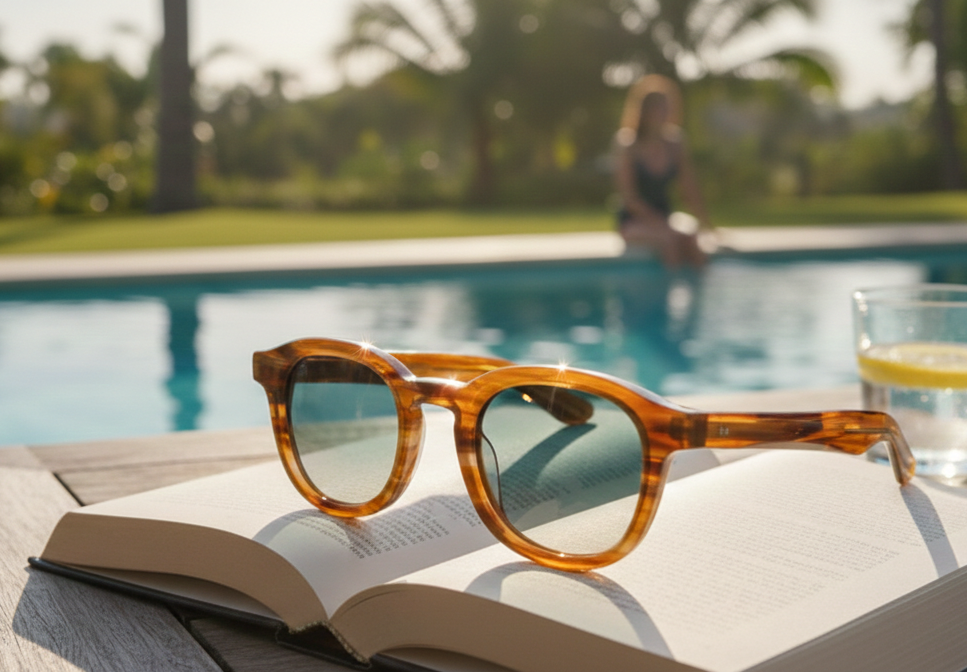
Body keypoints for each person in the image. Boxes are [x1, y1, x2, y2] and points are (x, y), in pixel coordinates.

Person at [615, 75, 713, 268]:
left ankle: (701, 286)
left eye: (667, 107)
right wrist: (663, 225)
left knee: (692, 240)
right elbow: (629, 199)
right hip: (634, 222)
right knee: (669, 240)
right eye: (659, 107)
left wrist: (706, 223)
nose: (665, 112)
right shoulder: (628, 145)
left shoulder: (675, 143)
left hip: (665, 217)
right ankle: (671, 285)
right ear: (644, 111)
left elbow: (689, 188)